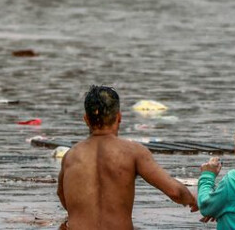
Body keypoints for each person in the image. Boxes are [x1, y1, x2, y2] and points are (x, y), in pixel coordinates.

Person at [57, 85, 197, 229]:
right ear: (119, 117)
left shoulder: (71, 155)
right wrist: (193, 199)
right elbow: (175, 192)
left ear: (86, 119)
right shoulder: (133, 152)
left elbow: (61, 194)